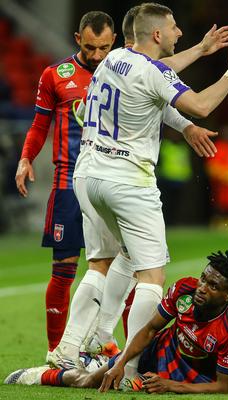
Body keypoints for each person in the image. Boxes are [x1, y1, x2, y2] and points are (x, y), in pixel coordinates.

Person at [67, 2, 228, 383]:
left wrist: (201, 54)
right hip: (128, 182)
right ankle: (129, 371)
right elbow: (201, 104)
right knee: (152, 277)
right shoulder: (150, 70)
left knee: (118, 256)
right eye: (173, 28)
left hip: (92, 178)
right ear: (157, 35)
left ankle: (93, 341)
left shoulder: (116, 58)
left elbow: (153, 78)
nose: (179, 33)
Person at [5, 250, 228, 395]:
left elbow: (224, 386)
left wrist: (172, 385)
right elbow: (151, 329)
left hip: (193, 376)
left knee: (126, 387)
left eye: (213, 286)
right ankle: (42, 375)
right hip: (160, 350)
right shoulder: (184, 289)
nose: (201, 288)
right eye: (203, 279)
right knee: (91, 381)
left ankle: (98, 361)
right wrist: (122, 363)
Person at [14, 11, 117, 353]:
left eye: (104, 47)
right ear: (78, 40)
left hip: (111, 182)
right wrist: (27, 156)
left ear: (114, 41)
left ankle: (111, 348)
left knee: (119, 269)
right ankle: (58, 351)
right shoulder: (56, 75)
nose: (98, 55)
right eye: (90, 48)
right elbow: (40, 124)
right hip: (68, 183)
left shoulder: (124, 72)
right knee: (63, 269)